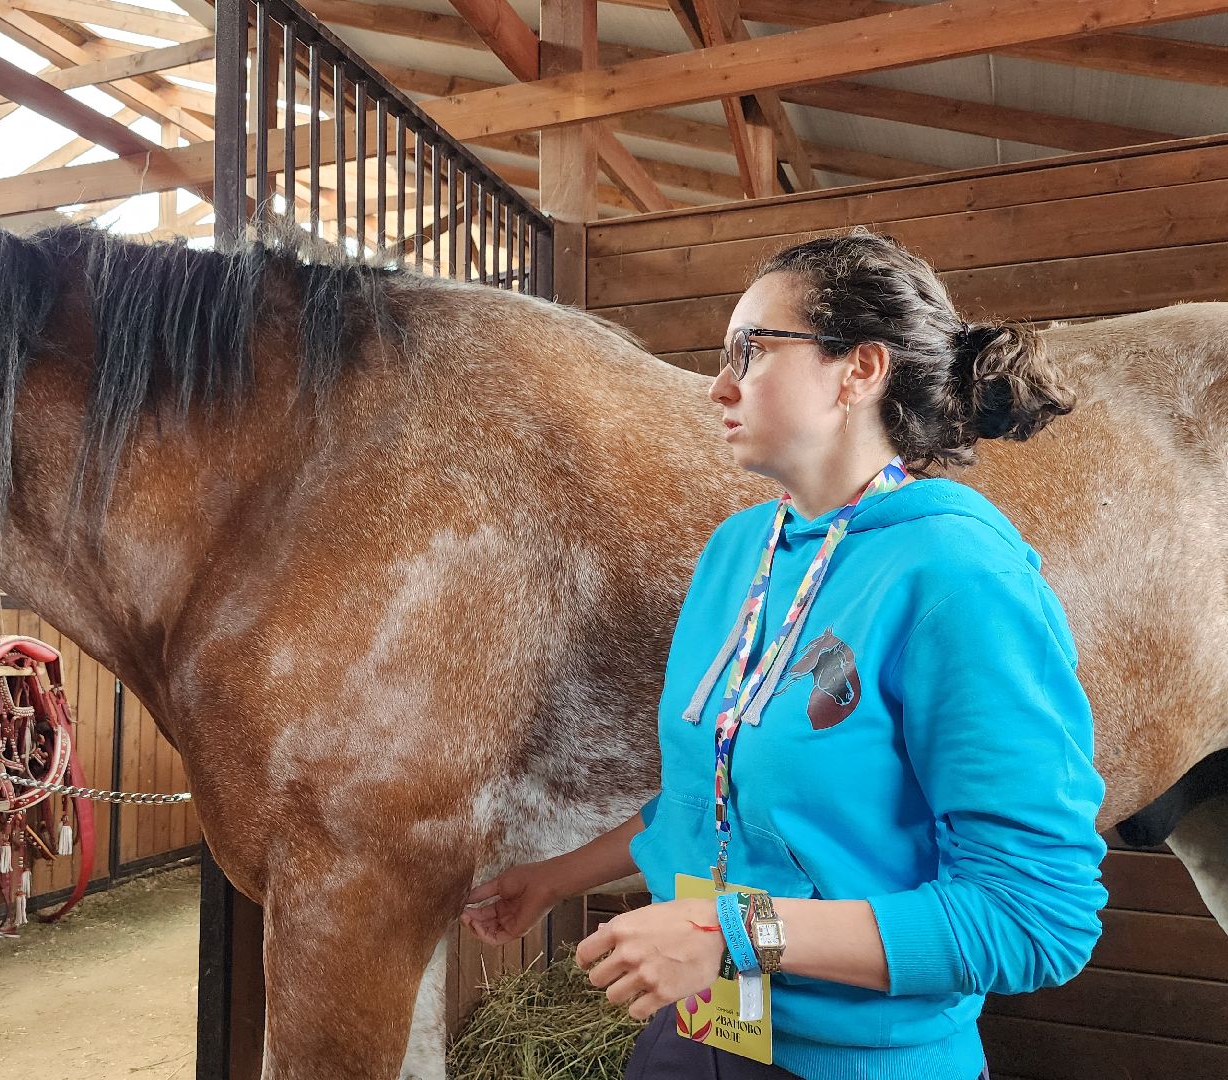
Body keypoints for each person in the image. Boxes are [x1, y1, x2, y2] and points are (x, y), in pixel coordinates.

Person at [461, 230, 1108, 1080]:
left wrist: (731, 934)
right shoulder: (739, 552)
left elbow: (1036, 917)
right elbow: (715, 799)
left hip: (860, 1060)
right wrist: (553, 878)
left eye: (751, 349)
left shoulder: (961, 577)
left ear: (860, 370)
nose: (719, 386)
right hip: (703, 1030)